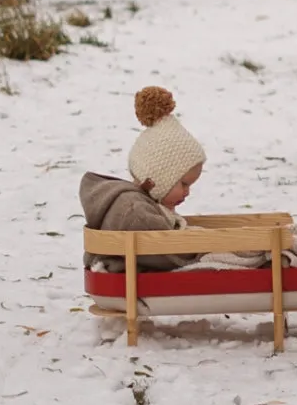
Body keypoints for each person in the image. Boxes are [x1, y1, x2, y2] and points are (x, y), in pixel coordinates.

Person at [80, 86, 207, 272]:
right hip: (125, 283)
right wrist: (210, 245)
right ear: (159, 178)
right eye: (184, 184)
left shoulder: (141, 204)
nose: (188, 192)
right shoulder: (136, 213)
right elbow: (171, 252)